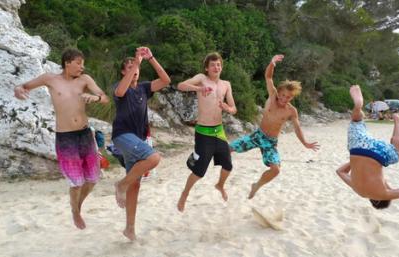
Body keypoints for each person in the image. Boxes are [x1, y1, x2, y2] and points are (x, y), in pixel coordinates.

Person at [14, 48, 109, 229]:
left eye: (83, 63)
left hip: (85, 134)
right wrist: (19, 90)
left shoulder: (85, 80)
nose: (83, 66)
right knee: (76, 182)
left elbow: (104, 98)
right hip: (65, 137)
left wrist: (95, 98)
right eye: (79, 63)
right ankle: (75, 212)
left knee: (93, 179)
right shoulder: (50, 79)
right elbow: (22, 86)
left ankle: (78, 206)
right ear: (67, 62)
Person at [230, 54, 320, 199]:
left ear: (292, 97)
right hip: (257, 135)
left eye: (288, 97)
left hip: (271, 143)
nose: (284, 99)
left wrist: (305, 143)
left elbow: (297, 128)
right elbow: (268, 77)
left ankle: (257, 185)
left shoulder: (291, 111)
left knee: (276, 170)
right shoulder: (272, 96)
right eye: (283, 95)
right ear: (279, 92)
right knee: (228, 148)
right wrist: (272, 63)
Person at [112, 47, 170, 241]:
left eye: (135, 67)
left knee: (135, 185)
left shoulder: (144, 88)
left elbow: (165, 80)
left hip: (137, 138)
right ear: (123, 72)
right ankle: (120, 184)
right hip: (123, 135)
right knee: (154, 158)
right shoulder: (119, 87)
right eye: (128, 67)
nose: (134, 69)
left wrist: (151, 58)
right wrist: (136, 62)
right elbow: (121, 91)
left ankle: (129, 229)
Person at [176, 52, 237, 212]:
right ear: (207, 68)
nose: (216, 67)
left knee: (228, 166)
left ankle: (220, 185)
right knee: (199, 171)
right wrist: (199, 88)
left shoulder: (226, 84)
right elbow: (181, 86)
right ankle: (184, 194)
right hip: (203, 131)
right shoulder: (202, 79)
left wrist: (227, 108)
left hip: (219, 131)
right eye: (212, 65)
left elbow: (233, 108)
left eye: (218, 64)